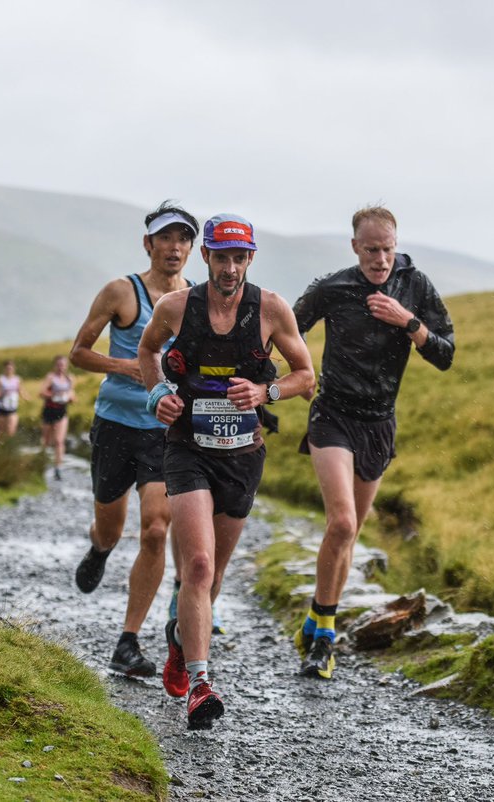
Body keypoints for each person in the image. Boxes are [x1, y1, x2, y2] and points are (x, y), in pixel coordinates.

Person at [139, 212, 314, 730]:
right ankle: (200, 683)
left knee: (212, 575)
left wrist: (267, 392)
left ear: (250, 259)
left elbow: (306, 374)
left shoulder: (272, 309)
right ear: (206, 257)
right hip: (187, 449)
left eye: (240, 258)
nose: (230, 268)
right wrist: (157, 395)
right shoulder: (176, 307)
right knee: (196, 565)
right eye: (222, 258)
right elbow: (148, 351)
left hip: (242, 455)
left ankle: (178, 641)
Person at [291, 206, 455, 680]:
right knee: (341, 523)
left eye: (388, 249)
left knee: (351, 533)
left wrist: (408, 322)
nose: (381, 259)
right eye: (371, 250)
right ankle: (323, 637)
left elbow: (445, 354)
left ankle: (317, 617)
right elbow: (287, 328)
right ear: (355, 247)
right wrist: (288, 377)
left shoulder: (415, 285)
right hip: (333, 415)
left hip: (379, 423)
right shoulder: (334, 287)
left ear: (396, 244)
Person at [69, 201, 199, 683]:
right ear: (148, 244)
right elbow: (77, 353)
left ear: (192, 249)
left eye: (183, 239)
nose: (175, 247)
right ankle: (100, 549)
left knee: (156, 529)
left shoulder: (195, 300)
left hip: (164, 431)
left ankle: (128, 640)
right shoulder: (121, 292)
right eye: (166, 237)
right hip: (115, 423)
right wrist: (130, 366)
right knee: (111, 524)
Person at [40, 355, 75, 480]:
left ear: (66, 366)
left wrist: (69, 397)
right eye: (59, 365)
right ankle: (41, 464)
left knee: (59, 441)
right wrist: (54, 394)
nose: (61, 367)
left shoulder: (69, 378)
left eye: (63, 365)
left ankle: (58, 468)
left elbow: (72, 394)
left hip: (62, 411)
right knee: (46, 441)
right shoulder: (51, 377)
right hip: (49, 411)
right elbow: (42, 392)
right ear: (55, 365)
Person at [0, 360, 29, 439]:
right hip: (1, 408)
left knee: (11, 432)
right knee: (1, 432)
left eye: (11, 368)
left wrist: (27, 398)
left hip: (12, 408)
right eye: (7, 368)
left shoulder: (17, 379)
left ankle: (9, 447)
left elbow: (21, 391)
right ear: (4, 369)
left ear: (14, 368)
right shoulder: (1, 379)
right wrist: (3, 393)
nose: (9, 370)